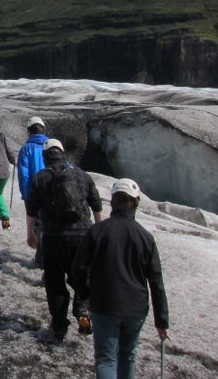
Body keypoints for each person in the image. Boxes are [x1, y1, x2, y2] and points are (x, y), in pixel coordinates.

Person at [71, 178, 170, 379]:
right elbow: (156, 282)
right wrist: (162, 321)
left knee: (106, 360)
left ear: (112, 202)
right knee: (128, 355)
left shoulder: (97, 231)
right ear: (136, 203)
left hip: (104, 305)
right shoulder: (145, 237)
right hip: (135, 308)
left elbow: (77, 270)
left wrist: (86, 294)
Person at [25, 139, 104, 341]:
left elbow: (31, 210)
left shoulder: (40, 177)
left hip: (53, 237)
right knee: (81, 277)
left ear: (45, 156)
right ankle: (83, 310)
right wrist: (98, 231)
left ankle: (59, 325)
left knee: (55, 283)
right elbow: (96, 204)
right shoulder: (81, 174)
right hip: (82, 236)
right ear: (62, 153)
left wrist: (31, 234)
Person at [18, 116, 49, 265]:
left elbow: (24, 174)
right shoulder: (52, 146)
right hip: (53, 192)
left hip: (34, 192)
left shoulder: (27, 149)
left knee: (39, 225)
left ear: (29, 131)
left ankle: (41, 257)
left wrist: (26, 194)